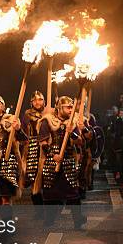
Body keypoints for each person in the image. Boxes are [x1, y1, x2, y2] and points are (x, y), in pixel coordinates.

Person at [35, 96, 88, 228]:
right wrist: (53, 155)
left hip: (68, 159)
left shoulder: (72, 122)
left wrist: (72, 133)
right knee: (49, 192)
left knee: (73, 192)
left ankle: (78, 221)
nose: (71, 109)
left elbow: (79, 142)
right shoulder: (47, 121)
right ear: (59, 108)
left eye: (72, 107)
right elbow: (43, 142)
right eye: (68, 107)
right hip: (52, 161)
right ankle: (49, 221)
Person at [0, 94, 27, 205]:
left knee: (6, 198)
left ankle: (7, 221)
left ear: (3, 106)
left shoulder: (12, 120)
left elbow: (24, 140)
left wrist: (18, 129)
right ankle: (0, 221)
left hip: (8, 161)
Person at [21, 91, 45, 205]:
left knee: (46, 174)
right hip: (33, 145)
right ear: (31, 102)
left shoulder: (49, 112)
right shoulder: (28, 114)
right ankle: (37, 204)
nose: (37, 102)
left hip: (47, 144)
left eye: (40, 100)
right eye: (35, 100)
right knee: (33, 174)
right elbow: (24, 131)